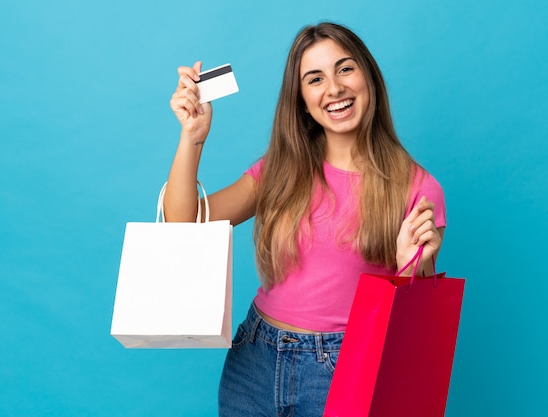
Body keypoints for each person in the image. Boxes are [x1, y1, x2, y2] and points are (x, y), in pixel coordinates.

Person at [166, 22, 445, 417]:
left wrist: (410, 266)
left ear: (369, 76)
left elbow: (414, 332)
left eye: (345, 69)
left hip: (345, 367)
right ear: (301, 99)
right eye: (315, 79)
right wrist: (192, 135)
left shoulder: (416, 188)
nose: (333, 88)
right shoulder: (279, 171)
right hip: (254, 361)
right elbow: (182, 227)